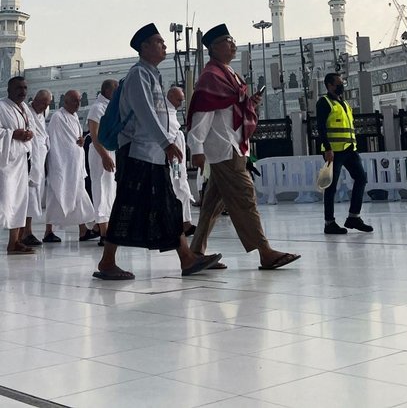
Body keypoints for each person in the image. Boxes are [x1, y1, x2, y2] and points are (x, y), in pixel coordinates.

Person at [95, 23, 222, 281]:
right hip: (137, 153)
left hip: (152, 153)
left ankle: (186, 258)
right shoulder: (138, 75)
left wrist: (163, 146)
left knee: (168, 204)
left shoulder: (152, 75)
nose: (164, 46)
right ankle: (107, 262)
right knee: (126, 206)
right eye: (158, 42)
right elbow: (145, 111)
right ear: (144, 47)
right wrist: (166, 142)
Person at [188, 23, 301, 270]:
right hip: (223, 148)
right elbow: (202, 113)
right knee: (246, 197)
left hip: (235, 146)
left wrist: (250, 102)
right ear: (214, 47)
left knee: (212, 205)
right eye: (228, 40)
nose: (233, 44)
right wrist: (196, 148)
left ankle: (195, 253)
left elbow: (232, 107)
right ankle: (265, 252)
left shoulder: (230, 74)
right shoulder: (211, 77)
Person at [316, 72, 373, 235]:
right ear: (329, 85)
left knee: (361, 178)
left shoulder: (344, 103)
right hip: (334, 151)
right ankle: (329, 223)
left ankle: (353, 217)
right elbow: (321, 128)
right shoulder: (324, 103)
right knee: (331, 186)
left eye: (342, 82)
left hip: (349, 149)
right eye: (338, 83)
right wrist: (327, 148)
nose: (342, 86)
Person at [45, 90, 96, 241]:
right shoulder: (57, 117)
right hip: (62, 166)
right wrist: (60, 165)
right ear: (65, 102)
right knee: (56, 197)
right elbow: (55, 142)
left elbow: (74, 139)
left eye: (79, 101)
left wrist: (80, 140)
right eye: (75, 101)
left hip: (75, 167)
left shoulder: (73, 117)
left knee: (79, 196)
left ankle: (83, 230)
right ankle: (48, 232)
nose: (78, 104)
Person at [0, 76, 36, 254]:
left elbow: (34, 128)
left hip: (21, 160)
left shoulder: (25, 109)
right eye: (18, 88)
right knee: (5, 200)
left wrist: (29, 134)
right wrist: (12, 134)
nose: (22, 91)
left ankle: (14, 242)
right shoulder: (1, 106)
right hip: (5, 162)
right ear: (9, 89)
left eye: (25, 88)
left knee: (20, 200)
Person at [87, 80, 119, 244]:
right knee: (100, 188)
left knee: (110, 189)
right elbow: (95, 135)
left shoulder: (111, 107)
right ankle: (104, 232)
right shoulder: (97, 108)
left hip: (110, 151)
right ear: (108, 90)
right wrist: (104, 156)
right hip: (100, 153)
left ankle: (102, 227)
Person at [20, 89, 52, 246]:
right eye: (42, 103)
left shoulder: (44, 112)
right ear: (36, 100)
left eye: (47, 104)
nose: (44, 106)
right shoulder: (27, 111)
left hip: (41, 159)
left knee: (35, 197)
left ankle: (27, 232)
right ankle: (26, 232)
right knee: (29, 198)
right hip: (30, 162)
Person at [166, 86, 196, 236]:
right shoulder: (163, 112)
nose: (180, 103)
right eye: (178, 99)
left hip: (177, 162)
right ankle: (181, 222)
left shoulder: (171, 112)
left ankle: (186, 222)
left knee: (180, 185)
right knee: (177, 185)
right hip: (173, 162)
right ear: (170, 96)